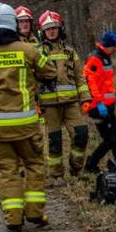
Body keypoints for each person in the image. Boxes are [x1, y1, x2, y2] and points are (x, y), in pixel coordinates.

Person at [0, 4, 57, 232]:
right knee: (34, 165)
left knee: (7, 170)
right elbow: (50, 73)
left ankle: (13, 220)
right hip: (26, 125)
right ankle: (35, 213)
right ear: (13, 24)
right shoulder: (27, 50)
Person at [37, 11, 91, 181]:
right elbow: (32, 79)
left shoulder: (70, 52)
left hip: (72, 103)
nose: (52, 31)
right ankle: (56, 175)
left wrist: (86, 98)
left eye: (54, 28)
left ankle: (76, 169)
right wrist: (34, 103)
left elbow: (79, 77)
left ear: (60, 29)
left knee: (81, 134)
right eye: (48, 29)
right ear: (42, 31)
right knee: (54, 141)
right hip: (49, 104)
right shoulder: (37, 52)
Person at [83, 30, 116, 173]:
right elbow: (90, 82)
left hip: (107, 105)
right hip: (97, 107)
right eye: (114, 46)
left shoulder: (106, 57)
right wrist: (99, 103)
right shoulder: (95, 58)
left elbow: (106, 83)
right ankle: (91, 165)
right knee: (110, 140)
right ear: (109, 45)